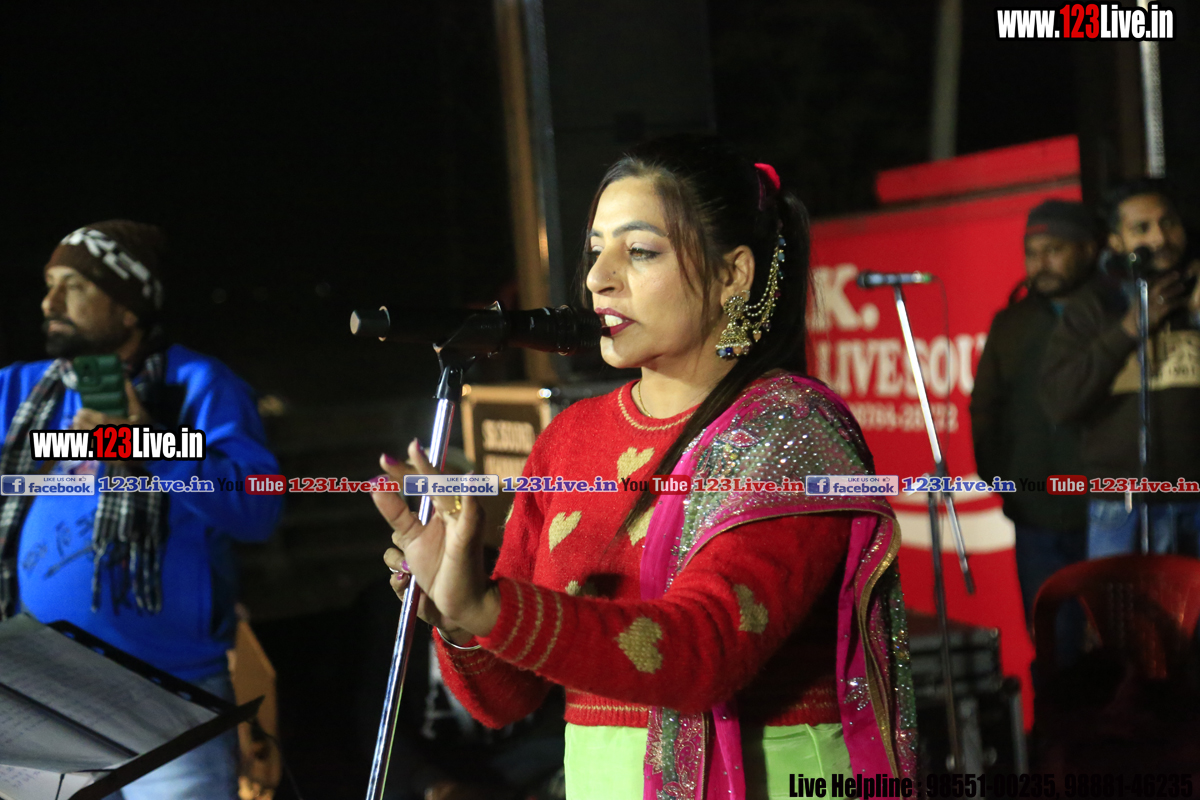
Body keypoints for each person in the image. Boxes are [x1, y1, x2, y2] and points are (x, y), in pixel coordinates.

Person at [372, 136, 916, 800]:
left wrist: (489, 607)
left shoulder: (790, 429)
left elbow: (706, 652)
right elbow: (506, 699)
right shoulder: (571, 439)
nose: (598, 278)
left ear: (733, 274)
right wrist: (457, 616)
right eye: (595, 249)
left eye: (639, 252)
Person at [0, 220, 283, 799]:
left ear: (129, 308)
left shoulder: (197, 384)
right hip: (43, 699)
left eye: (75, 286)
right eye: (50, 284)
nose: (50, 302)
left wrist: (145, 442)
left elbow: (257, 508)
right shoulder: (17, 390)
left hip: (171, 701)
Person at [1040, 179, 1200, 558]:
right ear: (1116, 241)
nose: (1160, 237)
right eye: (1141, 228)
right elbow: (1060, 402)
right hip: (1121, 505)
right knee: (1120, 600)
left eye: (1168, 222)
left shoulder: (1195, 293)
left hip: (1196, 498)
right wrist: (1129, 329)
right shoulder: (1094, 306)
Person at [970, 200, 1095, 641]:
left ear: (1088, 249)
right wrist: (1004, 480)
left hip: (1106, 511)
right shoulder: (1011, 322)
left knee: (1117, 645)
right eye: (1032, 252)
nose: (1041, 263)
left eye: (1054, 249)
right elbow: (985, 407)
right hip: (1035, 515)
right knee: (1052, 642)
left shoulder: (1113, 313)